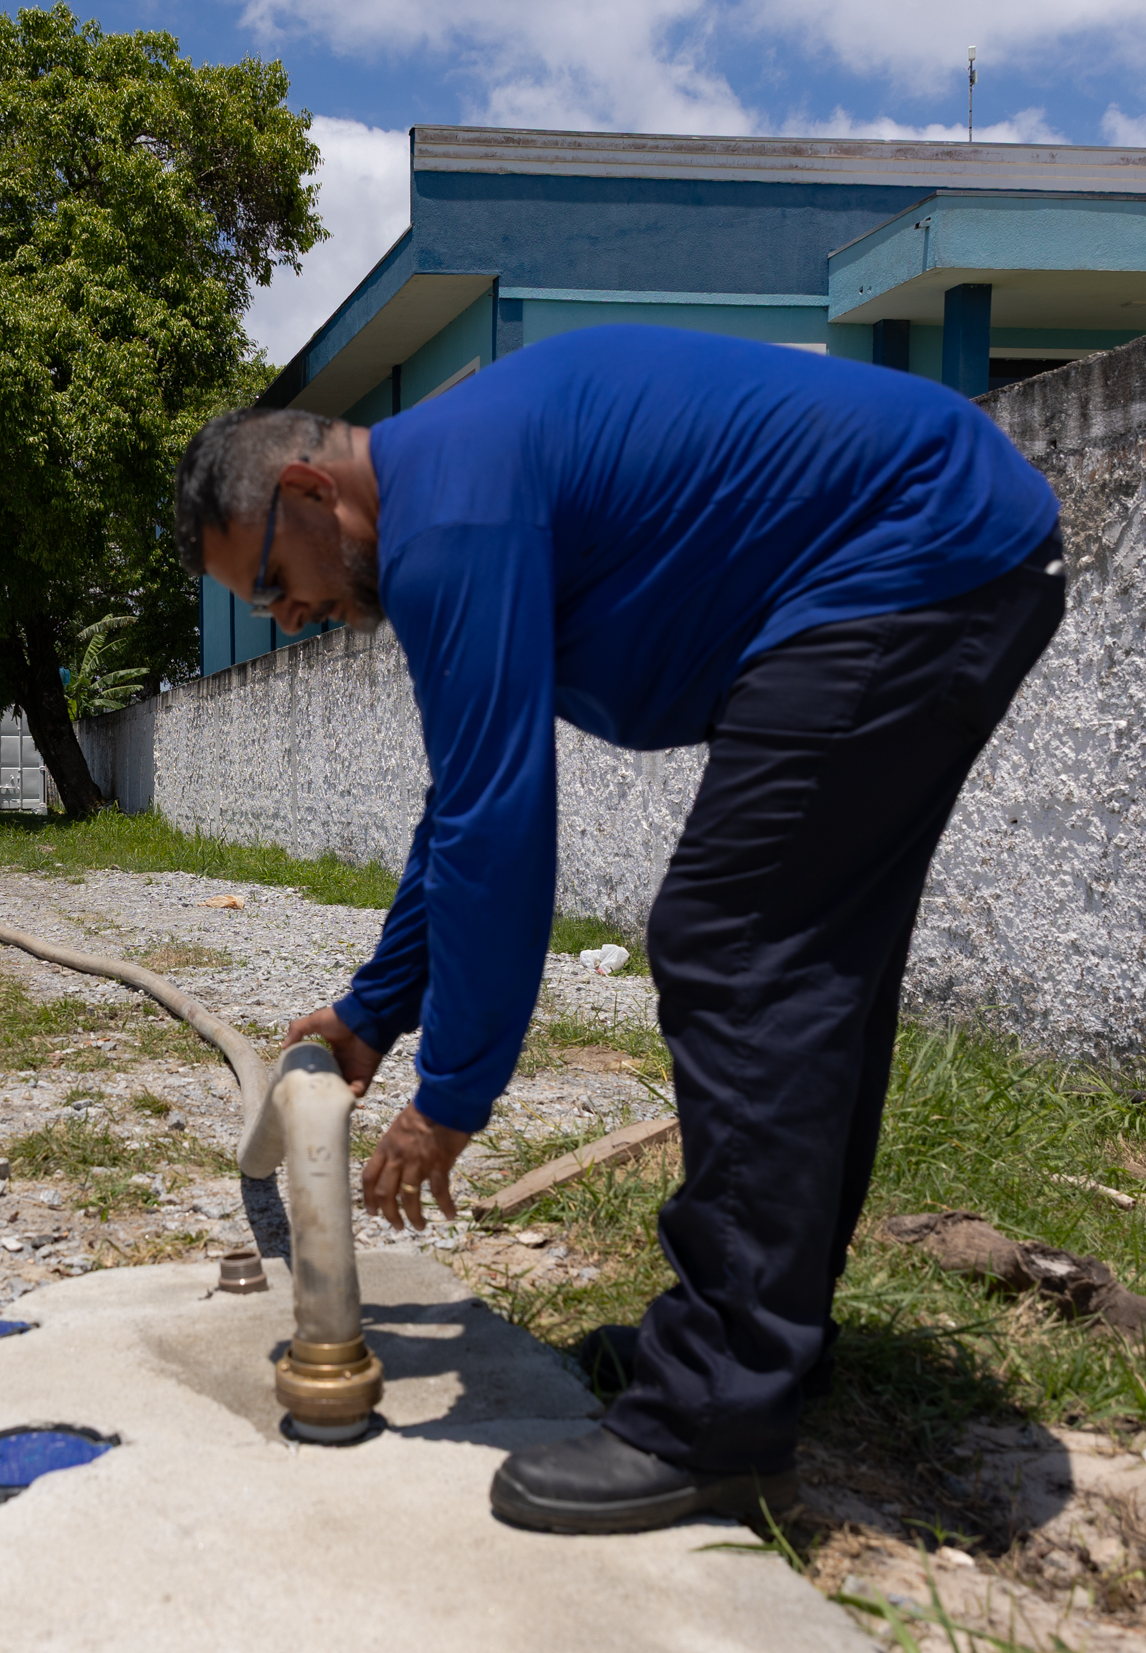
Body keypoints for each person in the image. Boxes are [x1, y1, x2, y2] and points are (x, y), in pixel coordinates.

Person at [171, 325, 1065, 1534]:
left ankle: (715, 1423)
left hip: (907, 558)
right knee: (804, 967)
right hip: (939, 549)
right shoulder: (451, 486)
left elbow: (498, 828)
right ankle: (761, 1344)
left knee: (735, 944)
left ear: (306, 491)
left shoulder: (451, 521)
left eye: (275, 583)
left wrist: (451, 1101)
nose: (286, 617)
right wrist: (379, 1008)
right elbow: (464, 800)